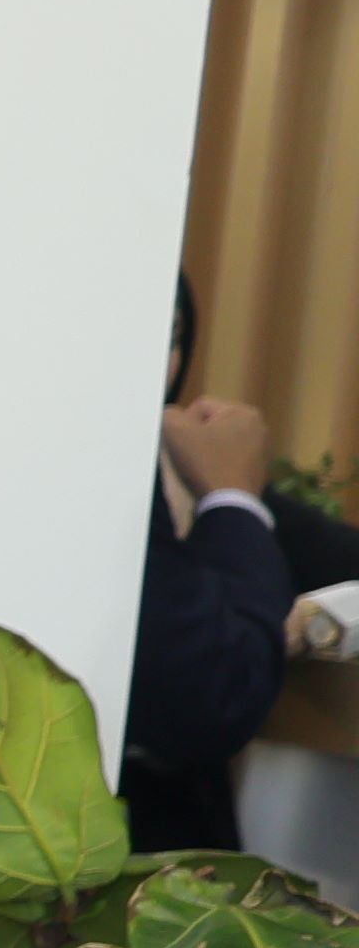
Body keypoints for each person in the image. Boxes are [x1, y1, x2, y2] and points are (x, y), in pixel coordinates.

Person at [118, 276, 359, 856]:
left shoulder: (184, 481)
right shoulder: (107, 483)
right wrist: (231, 494)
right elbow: (209, 688)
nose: (164, 360)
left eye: (174, 336)